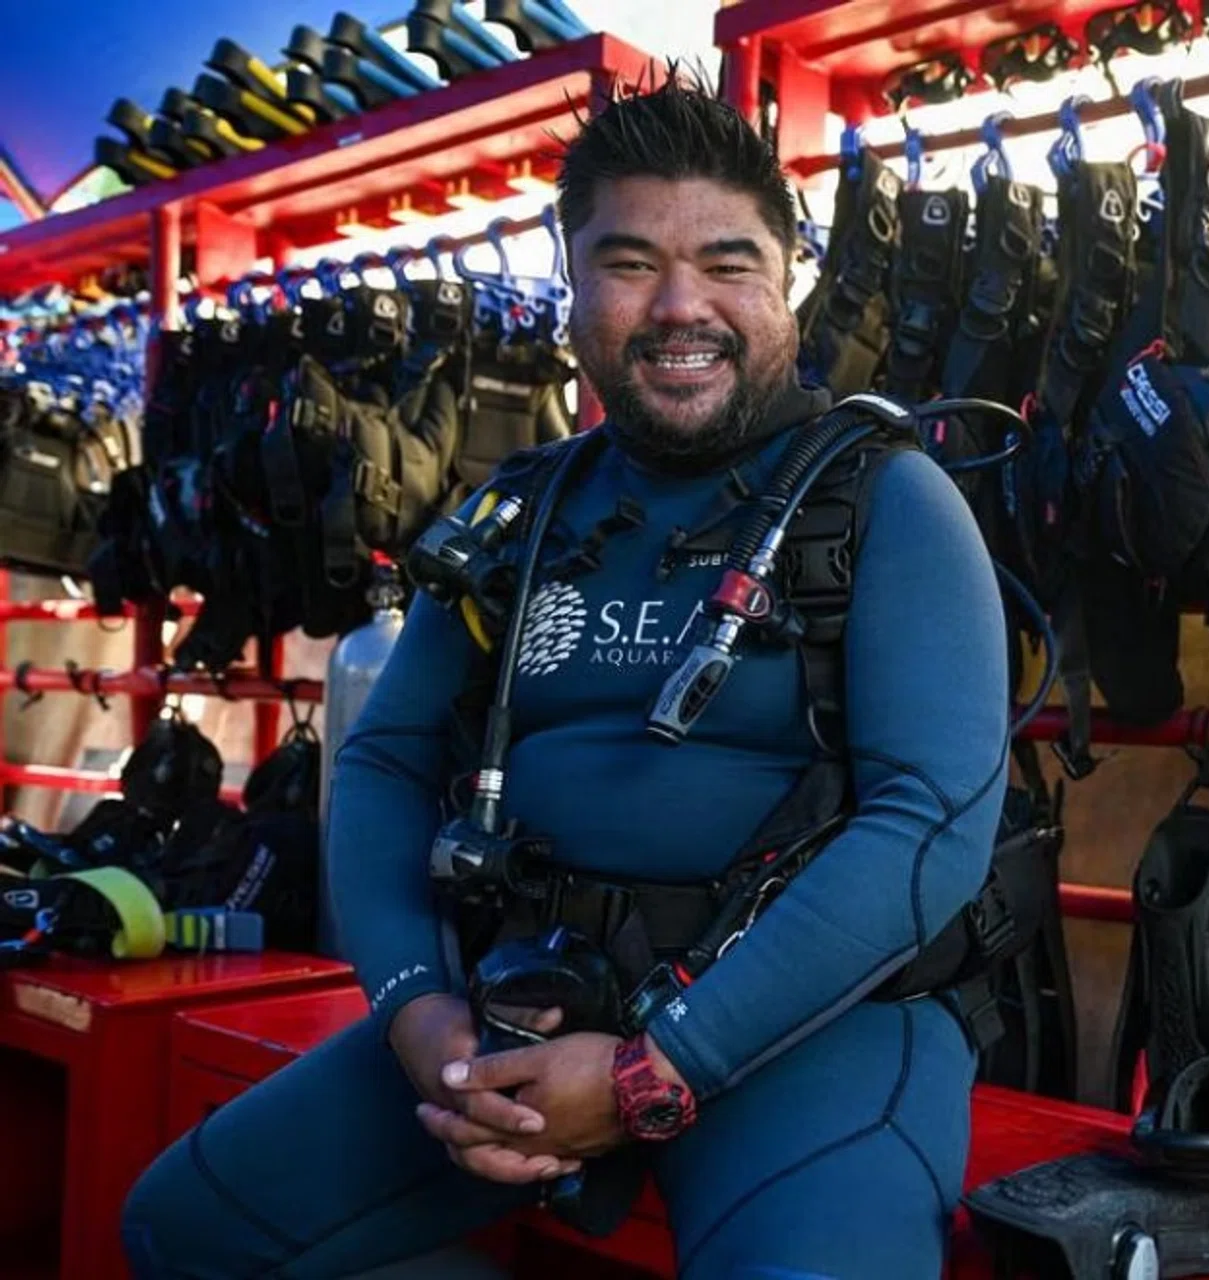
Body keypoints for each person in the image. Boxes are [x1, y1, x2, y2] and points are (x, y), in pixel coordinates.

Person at [120, 71, 1011, 1280]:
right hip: (517, 1008)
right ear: (572, 284)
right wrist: (418, 1011)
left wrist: (658, 1067)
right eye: (630, 261)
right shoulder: (522, 511)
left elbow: (932, 825)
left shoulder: (889, 499)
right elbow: (383, 758)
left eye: (729, 263)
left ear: (786, 282)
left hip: (813, 1028)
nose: (681, 305)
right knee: (184, 1227)